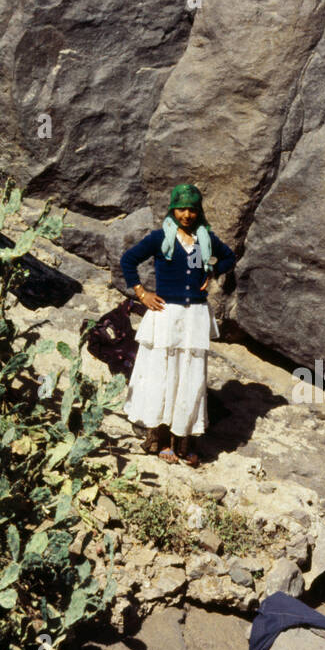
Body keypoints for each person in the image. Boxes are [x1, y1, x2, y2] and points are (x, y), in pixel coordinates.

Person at [119, 183, 236, 467]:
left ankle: (183, 440)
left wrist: (211, 270)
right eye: (181, 209)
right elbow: (128, 260)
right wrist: (142, 294)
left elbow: (229, 257)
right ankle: (158, 438)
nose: (187, 215)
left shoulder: (204, 238)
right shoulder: (160, 237)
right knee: (164, 373)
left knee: (190, 374)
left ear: (199, 211)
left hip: (195, 315)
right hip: (166, 314)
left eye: (192, 209)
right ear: (173, 209)